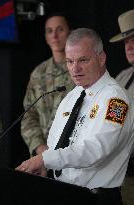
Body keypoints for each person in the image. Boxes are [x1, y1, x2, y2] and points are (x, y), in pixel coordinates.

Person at [16, 28, 134, 205]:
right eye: (69, 61)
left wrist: (45, 159)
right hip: (64, 193)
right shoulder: (72, 96)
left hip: (96, 198)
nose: (75, 68)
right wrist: (44, 164)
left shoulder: (115, 99)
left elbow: (96, 150)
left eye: (83, 60)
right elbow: (55, 143)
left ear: (102, 58)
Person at [21, 12, 75, 161]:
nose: (54, 36)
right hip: (43, 158)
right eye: (49, 31)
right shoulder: (38, 73)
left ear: (70, 33)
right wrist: (40, 148)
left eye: (60, 29)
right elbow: (28, 116)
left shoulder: (80, 69)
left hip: (72, 157)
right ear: (45, 37)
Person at [110, 9, 134, 205]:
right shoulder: (121, 79)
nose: (130, 46)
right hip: (126, 177)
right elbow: (110, 122)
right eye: (126, 42)